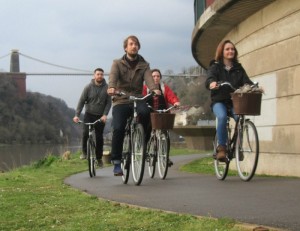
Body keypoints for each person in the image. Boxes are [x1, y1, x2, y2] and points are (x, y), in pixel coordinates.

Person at [107, 35, 160, 176]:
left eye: (136, 44)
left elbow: (149, 79)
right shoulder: (117, 63)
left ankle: (142, 140)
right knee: (118, 128)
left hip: (137, 98)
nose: (134, 46)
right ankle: (117, 162)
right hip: (121, 99)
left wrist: (154, 88)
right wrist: (112, 87)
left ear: (138, 47)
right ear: (126, 47)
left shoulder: (144, 65)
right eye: (131, 44)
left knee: (146, 114)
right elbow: (112, 77)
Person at [205, 40, 253, 162]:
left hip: (234, 101)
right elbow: (209, 79)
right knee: (222, 117)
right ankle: (222, 148)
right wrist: (212, 83)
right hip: (219, 101)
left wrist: (254, 87)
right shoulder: (215, 66)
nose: (230, 51)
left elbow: (247, 81)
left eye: (232, 49)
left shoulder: (238, 68)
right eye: (227, 49)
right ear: (222, 52)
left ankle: (238, 146)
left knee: (240, 118)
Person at [73, 68, 111, 167]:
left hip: (100, 116)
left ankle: (99, 158)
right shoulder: (88, 87)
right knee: (85, 133)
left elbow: (108, 103)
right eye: (98, 74)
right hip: (89, 114)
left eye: (102, 74)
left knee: (99, 137)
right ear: (94, 75)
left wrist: (105, 115)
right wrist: (77, 115)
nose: (100, 76)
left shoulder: (107, 88)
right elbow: (81, 101)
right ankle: (84, 153)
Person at [142, 68, 180, 167]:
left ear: (160, 78)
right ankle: (144, 151)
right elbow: (141, 98)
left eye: (158, 76)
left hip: (162, 113)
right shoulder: (145, 88)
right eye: (153, 76)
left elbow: (171, 96)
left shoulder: (164, 88)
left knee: (165, 135)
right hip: (149, 113)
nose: (156, 78)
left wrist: (175, 101)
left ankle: (166, 157)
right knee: (147, 131)